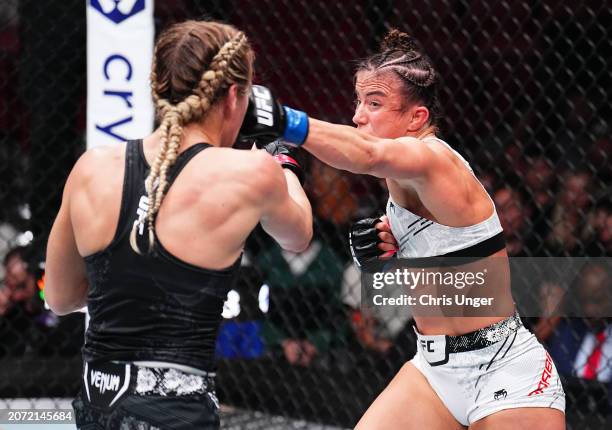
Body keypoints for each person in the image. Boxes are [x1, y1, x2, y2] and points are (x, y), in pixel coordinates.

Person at [239, 29, 565, 429]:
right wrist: (389, 253)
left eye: (374, 103)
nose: (359, 115)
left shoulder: (432, 160)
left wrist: (286, 121)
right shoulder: (400, 182)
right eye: (358, 101)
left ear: (417, 117)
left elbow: (368, 154)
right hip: (434, 368)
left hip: (503, 369)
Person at [44, 20, 312, 430]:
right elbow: (298, 235)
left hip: (97, 404)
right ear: (235, 96)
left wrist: (126, 288)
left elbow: (60, 299)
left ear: (158, 86)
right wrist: (280, 155)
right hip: (176, 414)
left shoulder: (91, 168)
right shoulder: (250, 172)